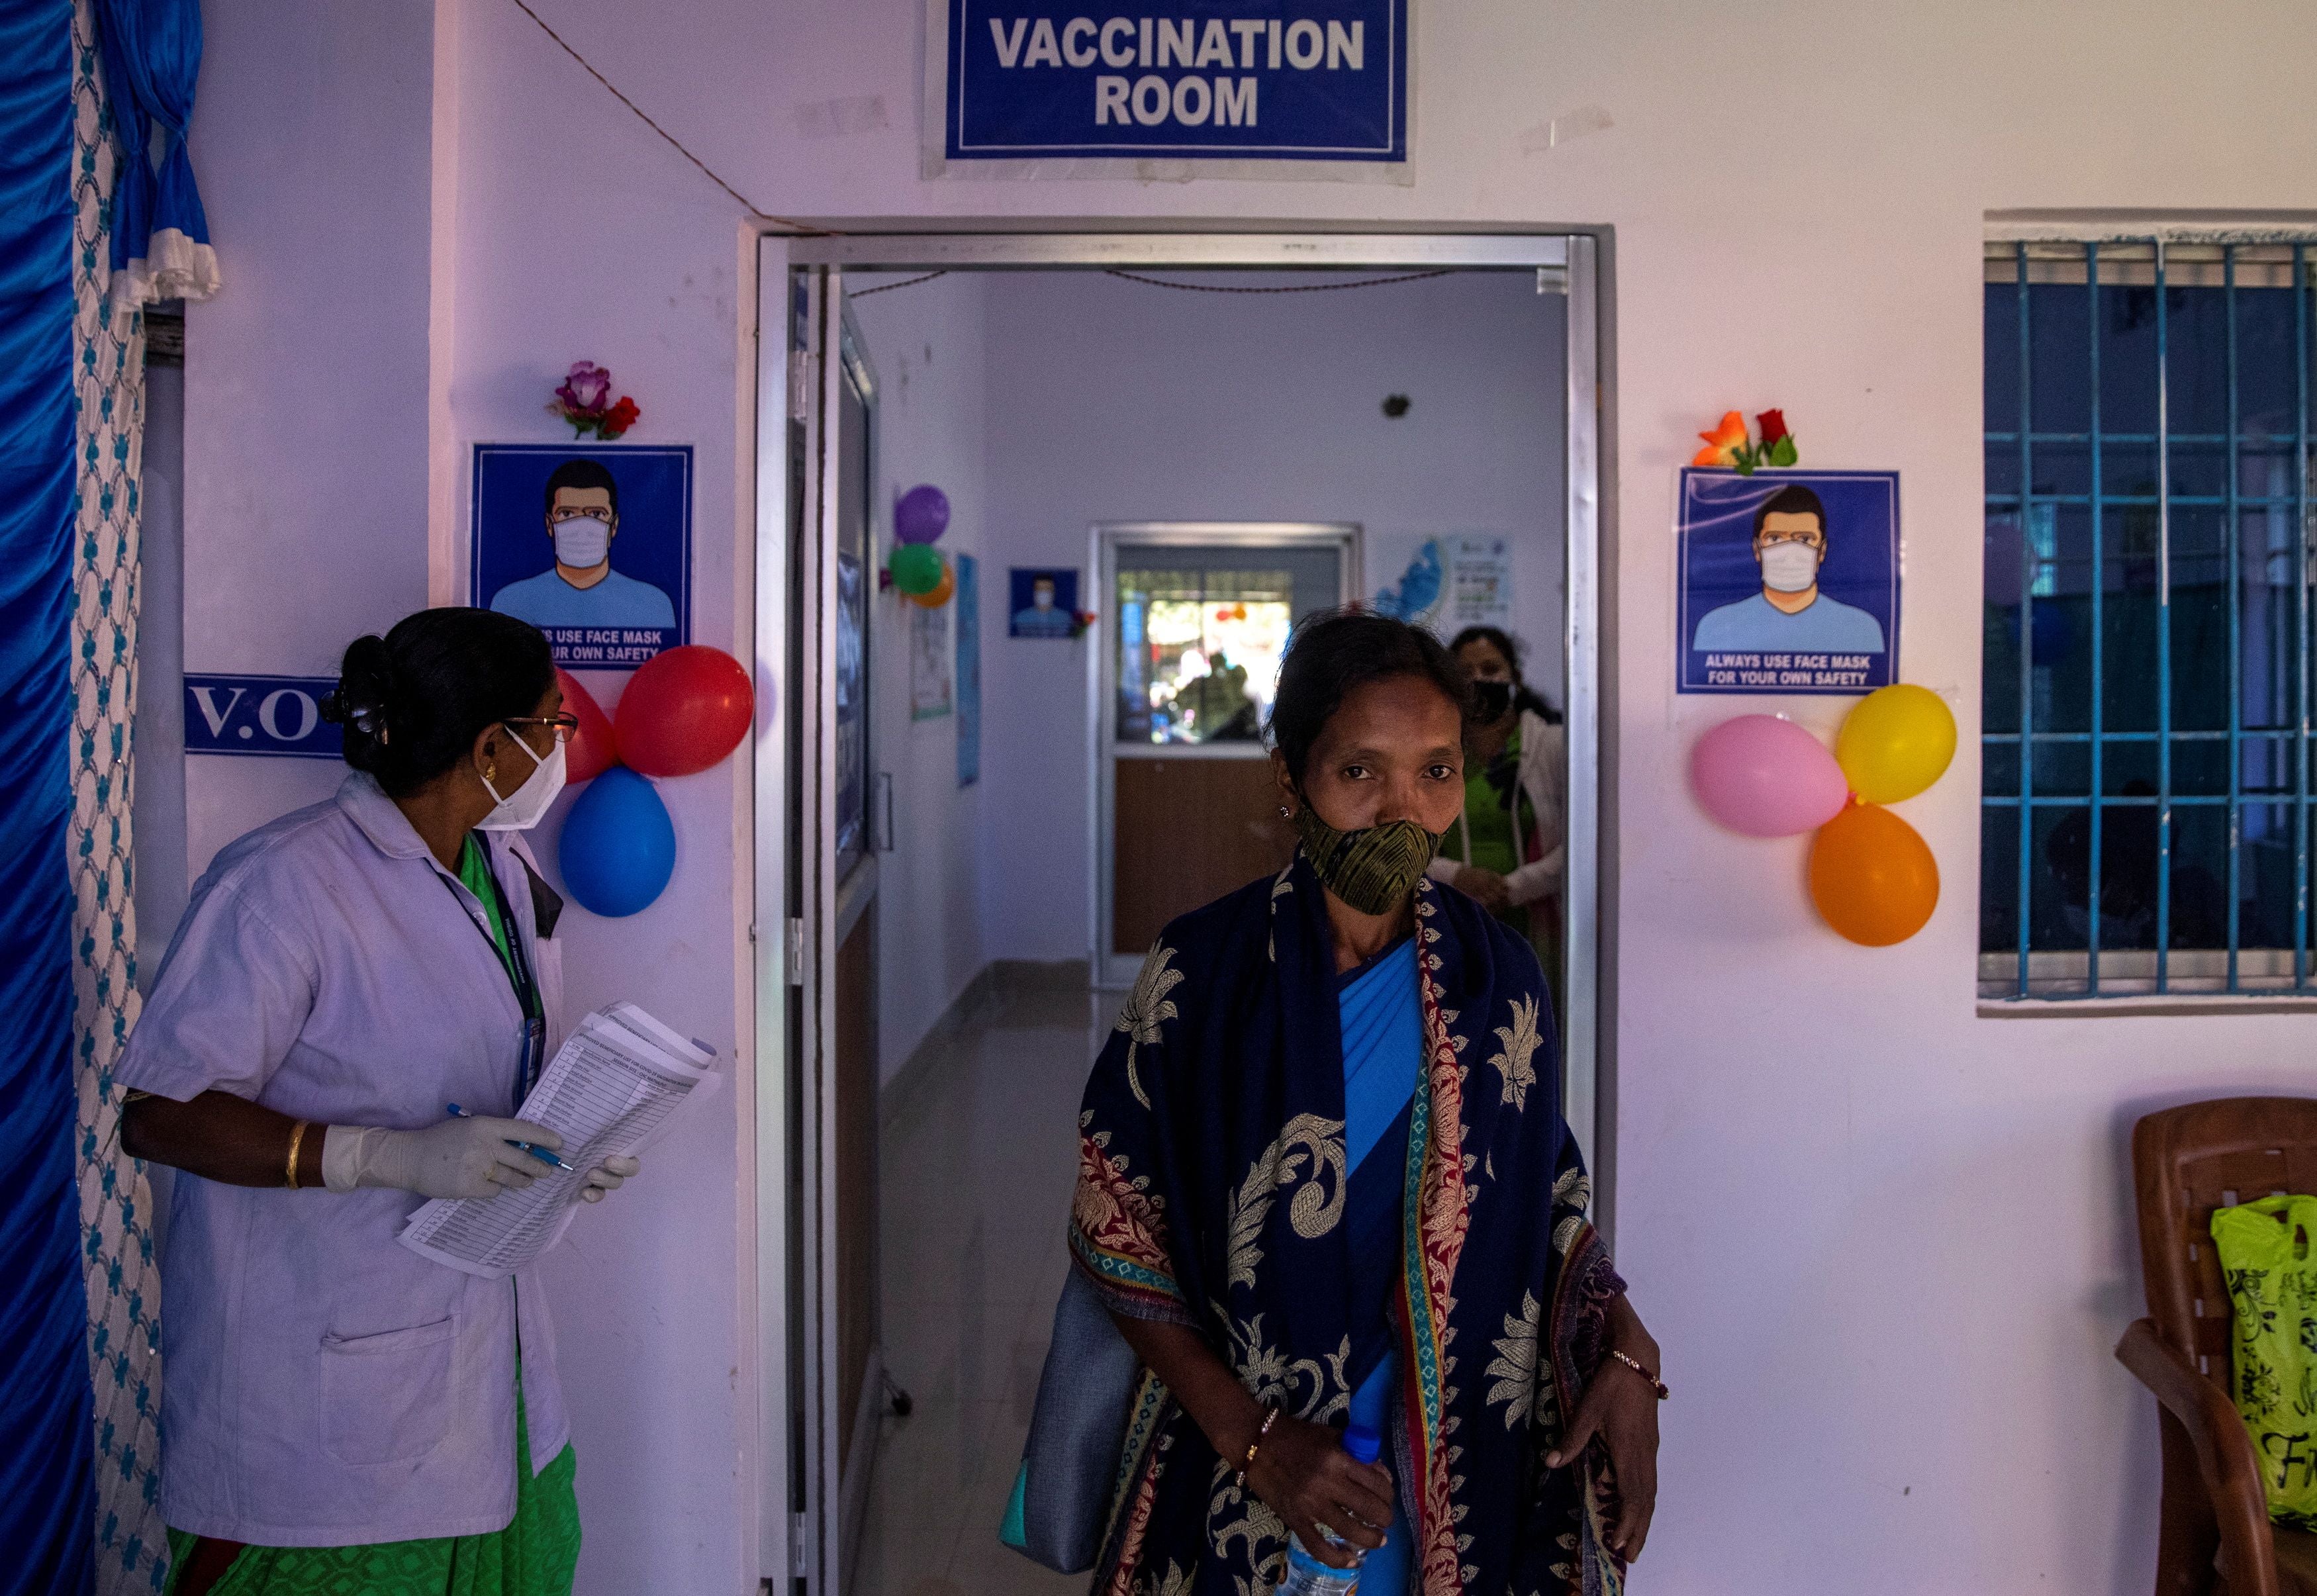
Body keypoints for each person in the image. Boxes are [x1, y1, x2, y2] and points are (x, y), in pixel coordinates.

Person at [1070, 608, 1660, 1594]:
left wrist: (1625, 1340)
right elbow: (1114, 1216)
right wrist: (1253, 1438)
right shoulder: (1204, 971)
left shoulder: (1498, 973)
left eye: (1434, 770)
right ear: (1290, 778)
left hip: (1453, 1467)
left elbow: (1544, 1192)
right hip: (1243, 1475)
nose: (1402, 810)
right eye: (1359, 771)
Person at [119, 607, 641, 1596]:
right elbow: (161, 1111)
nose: (559, 748)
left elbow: (490, 1069)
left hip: (496, 1385)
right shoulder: (282, 886)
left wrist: (575, 1142)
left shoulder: (499, 870)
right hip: (316, 1401)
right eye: (553, 725)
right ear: (493, 747)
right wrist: (379, 1155)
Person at [1429, 627, 1565, 990]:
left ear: (1515, 679)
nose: (1479, 680)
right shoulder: (1433, 756)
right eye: (1465, 673)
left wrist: (1514, 888)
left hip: (1541, 927)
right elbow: (1409, 841)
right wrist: (1458, 877)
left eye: (1491, 670)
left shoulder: (1554, 747)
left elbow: (1583, 841)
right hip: (1456, 922)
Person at [1691, 481, 1886, 654]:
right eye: (1775, 538)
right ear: (1757, 549)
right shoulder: (1717, 628)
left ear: (1822, 551)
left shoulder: (1861, 629)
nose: (1789, 552)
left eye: (1805, 539)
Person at [489, 457, 677, 630]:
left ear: (614, 526)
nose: (582, 527)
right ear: (549, 525)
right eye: (567, 513)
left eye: (596, 514)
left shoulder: (652, 605)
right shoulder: (510, 602)